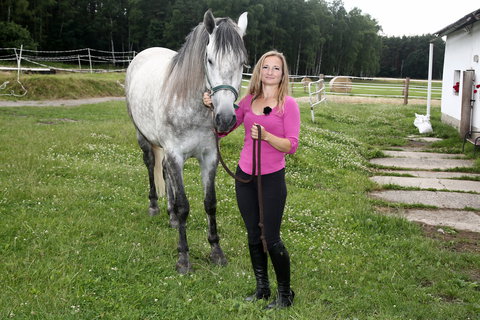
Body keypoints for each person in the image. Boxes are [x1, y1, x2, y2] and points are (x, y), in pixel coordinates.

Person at [203, 50, 300, 309]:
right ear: (259, 71)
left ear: (282, 74)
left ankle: (285, 294)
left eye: (276, 68)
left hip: (271, 179)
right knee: (253, 235)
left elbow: (291, 145)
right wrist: (213, 107)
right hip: (245, 176)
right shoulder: (247, 101)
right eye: (265, 66)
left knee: (271, 236)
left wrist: (267, 137)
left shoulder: (288, 104)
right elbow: (226, 129)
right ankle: (262, 289)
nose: (270, 71)